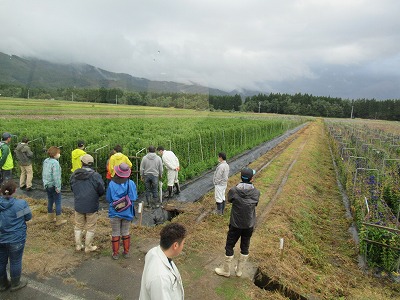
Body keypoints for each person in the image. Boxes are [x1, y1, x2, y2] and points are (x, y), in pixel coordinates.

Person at [215, 167, 259, 278]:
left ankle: (226, 270)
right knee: (245, 246)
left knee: (229, 245)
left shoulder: (234, 191)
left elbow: (229, 200)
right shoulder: (256, 193)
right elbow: (255, 203)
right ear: (251, 178)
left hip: (235, 224)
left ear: (241, 177)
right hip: (249, 224)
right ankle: (239, 271)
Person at [139, 223, 186, 300]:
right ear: (175, 245)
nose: (183, 246)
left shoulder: (153, 252)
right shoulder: (161, 278)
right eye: (183, 243)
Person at [0, 180, 32, 292]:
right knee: (15, 261)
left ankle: (2, 284)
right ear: (14, 191)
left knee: (1, 261)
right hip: (16, 238)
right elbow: (28, 217)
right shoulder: (21, 204)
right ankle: (15, 283)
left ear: (1, 191)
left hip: (1, 238)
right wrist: (17, 216)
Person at [70, 154, 105, 253]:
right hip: (91, 204)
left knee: (78, 225)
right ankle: (88, 247)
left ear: (82, 163)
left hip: (79, 203)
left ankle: (78, 245)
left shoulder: (74, 175)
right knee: (91, 226)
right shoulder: (95, 176)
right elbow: (101, 189)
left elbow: (72, 187)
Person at [106, 163, 137, 260]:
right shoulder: (130, 183)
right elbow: (134, 197)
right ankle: (126, 252)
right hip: (127, 212)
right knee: (126, 231)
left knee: (115, 232)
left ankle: (115, 254)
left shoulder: (111, 183)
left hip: (114, 211)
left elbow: (108, 198)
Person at [42, 146, 67, 226]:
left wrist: (44, 183)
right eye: (58, 153)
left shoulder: (46, 161)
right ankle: (59, 220)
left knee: (50, 201)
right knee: (58, 202)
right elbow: (56, 177)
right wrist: (58, 187)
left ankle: (50, 218)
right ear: (55, 154)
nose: (59, 154)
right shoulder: (55, 163)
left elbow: (44, 173)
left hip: (47, 185)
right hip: (53, 185)